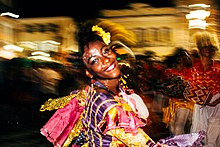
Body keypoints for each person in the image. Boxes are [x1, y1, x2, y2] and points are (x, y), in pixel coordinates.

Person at [39, 19, 205, 147]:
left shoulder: (98, 89)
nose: (105, 60)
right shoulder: (110, 109)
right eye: (94, 60)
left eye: (106, 51)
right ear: (89, 71)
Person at [183, 31, 220, 147]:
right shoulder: (192, 68)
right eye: (204, 46)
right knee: (199, 136)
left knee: (213, 138)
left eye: (209, 46)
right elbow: (187, 89)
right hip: (200, 106)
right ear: (199, 48)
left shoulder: (218, 67)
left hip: (218, 105)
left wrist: (216, 101)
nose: (207, 49)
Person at [162, 47, 195, 135]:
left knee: (178, 127)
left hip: (185, 103)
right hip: (172, 103)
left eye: (183, 58)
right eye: (179, 58)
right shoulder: (169, 72)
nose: (181, 60)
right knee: (172, 128)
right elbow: (165, 88)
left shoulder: (191, 73)